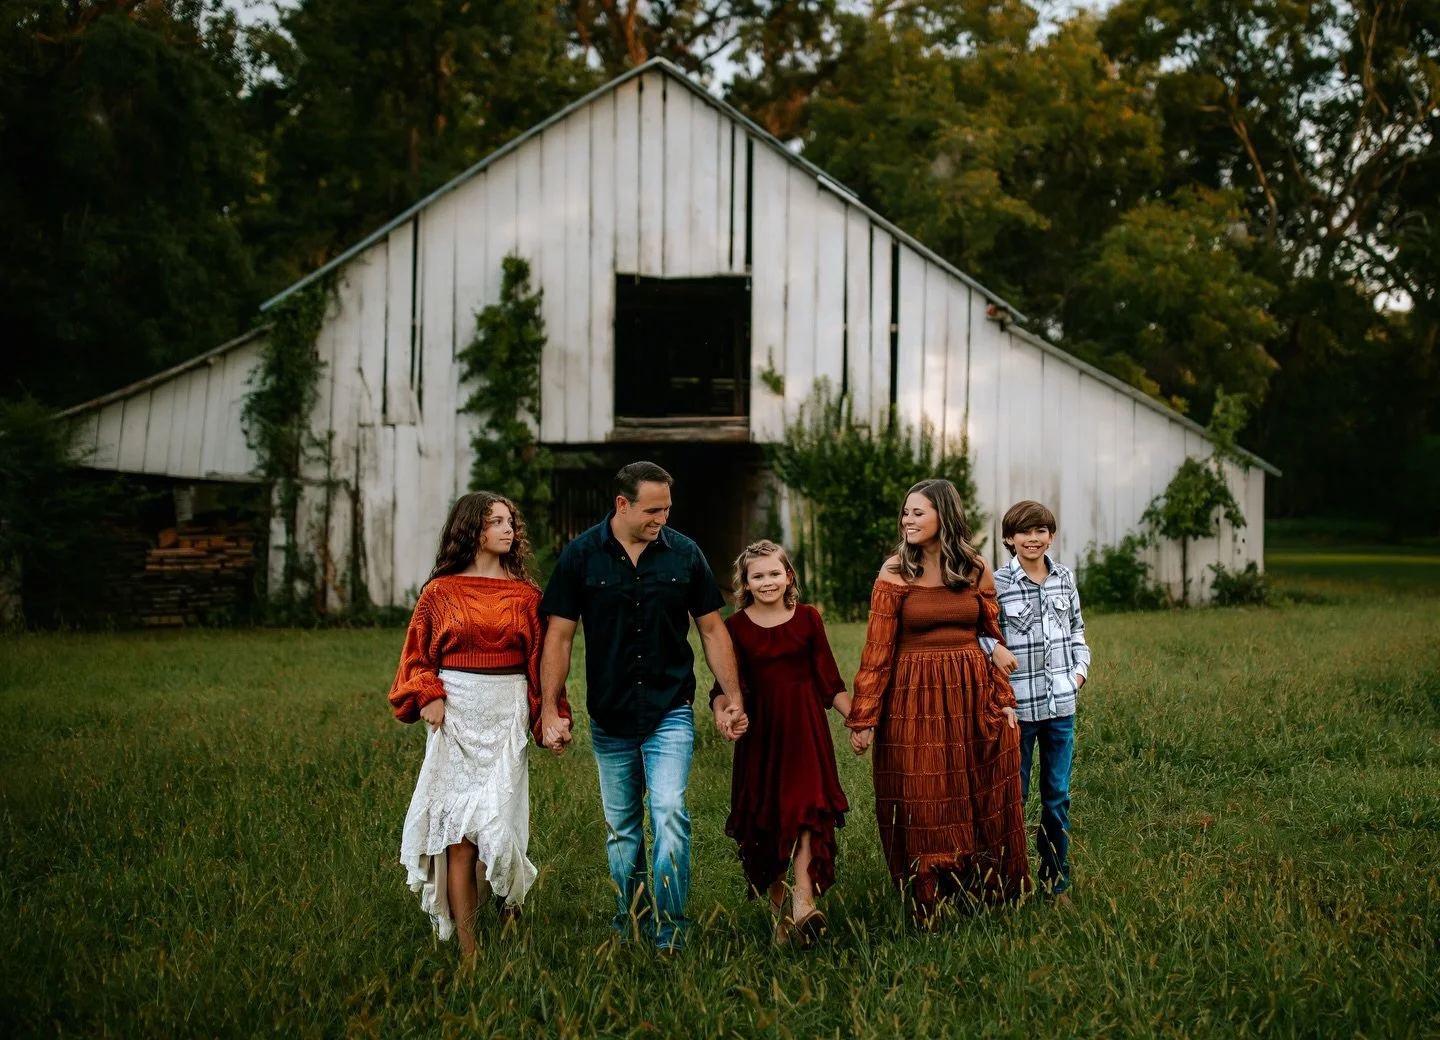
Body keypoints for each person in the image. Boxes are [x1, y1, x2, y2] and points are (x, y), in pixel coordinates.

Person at [537, 461, 747, 956]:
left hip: (669, 706)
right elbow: (560, 637)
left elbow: (712, 630)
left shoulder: (684, 554)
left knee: (670, 810)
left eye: (668, 509)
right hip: (609, 714)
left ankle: (672, 929)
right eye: (653, 510)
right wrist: (550, 708)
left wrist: (732, 695)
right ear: (622, 505)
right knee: (622, 830)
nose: (662, 518)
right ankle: (629, 920)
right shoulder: (582, 556)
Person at [388, 492, 570, 955]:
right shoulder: (440, 592)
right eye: (496, 522)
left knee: (501, 831)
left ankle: (509, 906)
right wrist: (428, 694)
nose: (508, 530)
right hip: (456, 713)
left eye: (511, 521)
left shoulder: (527, 596)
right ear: (472, 530)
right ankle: (469, 950)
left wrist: (553, 717)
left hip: (505, 711)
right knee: (460, 837)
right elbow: (415, 657)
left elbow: (540, 665)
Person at [847, 478, 1030, 921]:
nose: (907, 520)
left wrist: (1004, 698)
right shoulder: (895, 571)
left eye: (918, 512)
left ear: (943, 517)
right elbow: (877, 651)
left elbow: (992, 637)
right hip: (914, 697)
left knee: (976, 791)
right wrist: (864, 717)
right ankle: (929, 900)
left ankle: (982, 892)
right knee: (925, 796)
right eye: (906, 513)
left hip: (970, 693)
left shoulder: (975, 569)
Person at [711, 540, 851, 946]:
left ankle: (804, 903)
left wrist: (860, 719)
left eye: (775, 573)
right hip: (761, 735)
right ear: (746, 583)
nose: (768, 581)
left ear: (788, 576)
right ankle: (781, 920)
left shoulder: (808, 619)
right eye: (758, 576)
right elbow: (721, 688)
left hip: (806, 731)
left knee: (809, 813)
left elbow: (830, 680)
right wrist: (724, 711)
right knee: (768, 824)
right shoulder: (733, 629)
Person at [982, 500, 1091, 905]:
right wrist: (994, 648)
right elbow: (983, 634)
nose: (1033, 538)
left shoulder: (1065, 578)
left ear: (1051, 535)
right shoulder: (997, 584)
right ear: (1009, 539)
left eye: (1041, 530)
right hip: (1019, 710)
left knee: (1057, 796)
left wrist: (1078, 674)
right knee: (1014, 797)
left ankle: (1055, 882)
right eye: (1024, 532)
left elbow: (1077, 630)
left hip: (1061, 706)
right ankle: (1011, 881)